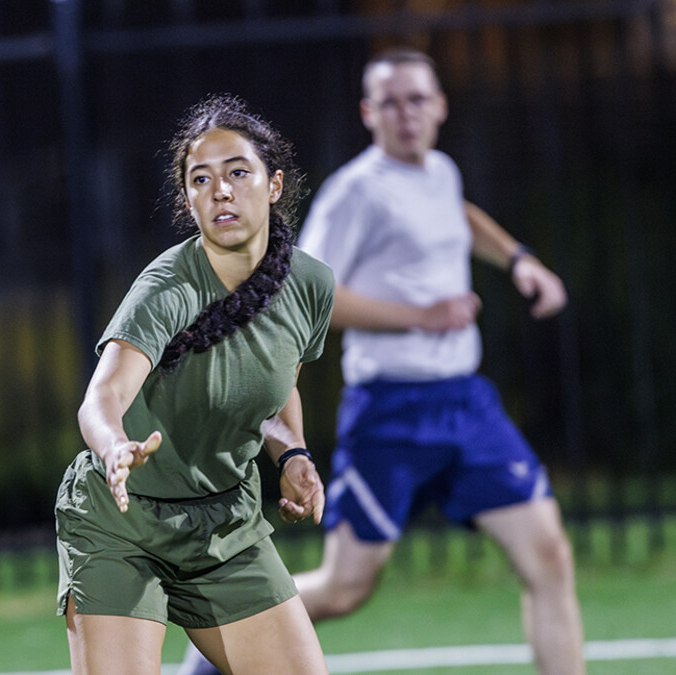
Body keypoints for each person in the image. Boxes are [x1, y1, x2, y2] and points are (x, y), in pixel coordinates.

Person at [180, 47, 586, 675]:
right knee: (346, 588)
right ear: (369, 113)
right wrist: (418, 317)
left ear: (440, 106)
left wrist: (519, 258)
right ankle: (219, 643)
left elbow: (458, 216)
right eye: (391, 102)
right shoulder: (356, 192)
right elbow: (305, 294)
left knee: (550, 559)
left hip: (467, 405)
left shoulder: (441, 173)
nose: (407, 114)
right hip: (391, 411)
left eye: (418, 99)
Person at [55, 93, 335, 675]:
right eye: (201, 180)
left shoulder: (311, 285)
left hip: (226, 525)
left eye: (238, 172)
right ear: (189, 199)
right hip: (121, 523)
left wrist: (294, 455)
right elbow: (103, 397)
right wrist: (112, 447)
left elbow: (276, 393)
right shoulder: (166, 287)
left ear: (274, 184)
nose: (221, 190)